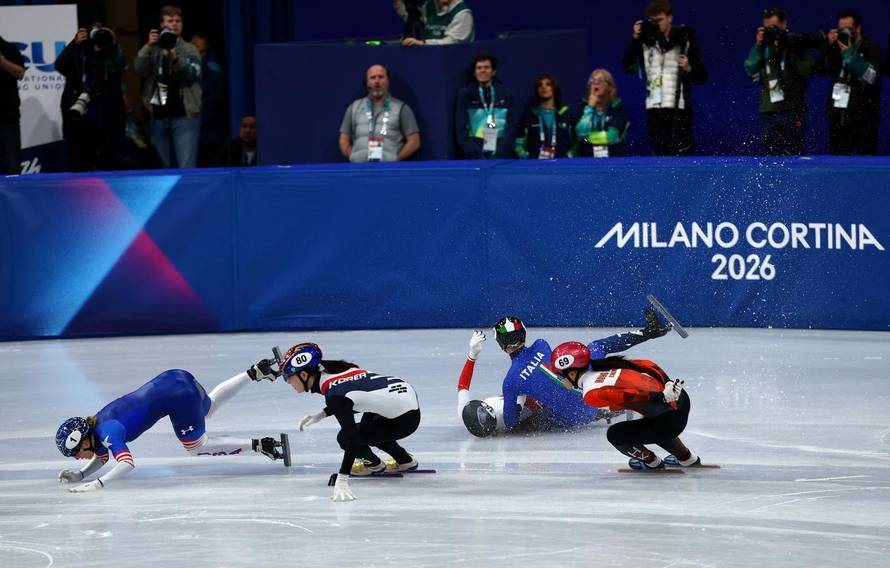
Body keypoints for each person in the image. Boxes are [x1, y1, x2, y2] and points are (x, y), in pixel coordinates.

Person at [54, 358, 286, 492]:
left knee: (196, 447)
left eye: (75, 453)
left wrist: (96, 484)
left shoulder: (108, 432)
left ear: (84, 440)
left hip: (177, 397)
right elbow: (103, 456)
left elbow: (127, 464)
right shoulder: (98, 426)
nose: (76, 458)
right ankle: (254, 372)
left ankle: (260, 445)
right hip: (175, 377)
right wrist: (81, 474)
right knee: (208, 407)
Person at [457, 308, 671, 438]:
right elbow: (548, 373)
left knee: (540, 411)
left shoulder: (511, 381)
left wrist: (521, 403)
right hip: (583, 391)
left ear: (501, 345)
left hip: (572, 418)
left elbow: (512, 424)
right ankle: (650, 331)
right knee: (596, 347)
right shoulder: (541, 345)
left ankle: (606, 410)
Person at [276, 342, 421, 502]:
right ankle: (404, 460)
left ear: (303, 375)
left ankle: (374, 465)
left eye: (288, 377)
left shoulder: (334, 395)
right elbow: (357, 395)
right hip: (403, 399)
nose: (289, 383)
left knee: (345, 438)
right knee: (367, 428)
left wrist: (342, 479)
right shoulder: (337, 370)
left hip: (404, 419)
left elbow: (351, 438)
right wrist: (322, 414)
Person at [549, 341, 700, 470]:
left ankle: (651, 462)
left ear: (572, 373)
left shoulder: (591, 393)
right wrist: (667, 383)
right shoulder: (607, 364)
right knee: (649, 421)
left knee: (615, 435)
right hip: (680, 398)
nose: (561, 381)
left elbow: (629, 395)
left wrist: (660, 397)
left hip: (670, 419)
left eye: (561, 375)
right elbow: (648, 364)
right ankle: (686, 458)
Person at [621, 0, 707, 156]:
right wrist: (635, 37)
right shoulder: (644, 42)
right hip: (654, 107)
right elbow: (627, 66)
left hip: (679, 108)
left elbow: (702, 76)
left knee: (681, 154)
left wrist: (688, 67)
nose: (656, 24)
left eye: (659, 20)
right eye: (653, 21)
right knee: (658, 154)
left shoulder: (685, 39)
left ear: (670, 18)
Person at [133, 5, 202, 168]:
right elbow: (139, 69)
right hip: (158, 116)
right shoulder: (153, 48)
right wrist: (148, 47)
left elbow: (192, 74)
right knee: (164, 169)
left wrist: (176, 59)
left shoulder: (189, 48)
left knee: (186, 167)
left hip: (185, 117)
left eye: (178, 21)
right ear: (161, 25)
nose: (175, 24)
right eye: (170, 21)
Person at [743, 7, 815, 156]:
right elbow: (750, 70)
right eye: (767, 28)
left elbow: (807, 71)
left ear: (784, 24)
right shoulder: (762, 47)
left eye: (774, 27)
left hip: (792, 109)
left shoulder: (796, 44)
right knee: (770, 157)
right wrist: (758, 45)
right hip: (768, 112)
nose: (771, 31)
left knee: (794, 154)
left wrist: (787, 48)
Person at [55, 24, 127, 172]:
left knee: (109, 158)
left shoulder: (110, 51)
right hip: (79, 112)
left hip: (105, 112)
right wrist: (74, 43)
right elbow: (60, 66)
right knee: (79, 159)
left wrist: (111, 42)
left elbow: (120, 65)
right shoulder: (78, 49)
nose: (96, 37)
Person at [815, 10, 882, 156]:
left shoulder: (871, 48)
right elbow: (819, 70)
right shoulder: (835, 48)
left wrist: (850, 53)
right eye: (841, 29)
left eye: (848, 29)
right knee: (838, 165)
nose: (844, 32)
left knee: (866, 165)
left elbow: (871, 77)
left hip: (864, 119)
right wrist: (828, 45)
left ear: (858, 29)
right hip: (839, 117)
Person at [339, 64, 420, 163]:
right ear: (367, 82)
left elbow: (414, 141)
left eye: (381, 77)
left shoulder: (402, 108)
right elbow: (343, 139)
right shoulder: (354, 107)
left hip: (389, 170)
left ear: (387, 81)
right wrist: (352, 156)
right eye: (372, 78)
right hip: (359, 168)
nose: (377, 81)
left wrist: (396, 160)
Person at [455, 54, 515, 159]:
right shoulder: (465, 95)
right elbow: (461, 129)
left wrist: (501, 152)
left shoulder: (506, 94)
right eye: (479, 68)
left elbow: (511, 126)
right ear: (474, 72)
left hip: (501, 155)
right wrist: (475, 154)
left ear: (493, 72)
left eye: (487, 67)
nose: (483, 70)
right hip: (474, 156)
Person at [514, 74, 573, 160]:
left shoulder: (564, 113)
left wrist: (569, 156)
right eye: (540, 85)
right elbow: (518, 143)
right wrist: (526, 157)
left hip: (561, 164)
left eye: (548, 84)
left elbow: (577, 140)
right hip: (534, 165)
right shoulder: (530, 114)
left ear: (554, 88)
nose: (543, 87)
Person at [190, 33, 228, 167]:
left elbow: (214, 96)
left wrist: (200, 119)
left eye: (200, 37)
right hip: (193, 128)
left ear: (207, 43)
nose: (195, 40)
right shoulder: (189, 62)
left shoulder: (211, 64)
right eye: (193, 38)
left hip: (210, 129)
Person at [574, 69, 630, 158]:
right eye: (593, 80)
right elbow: (581, 133)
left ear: (610, 87)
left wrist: (587, 139)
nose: (595, 83)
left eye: (600, 80)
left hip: (613, 159)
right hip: (586, 160)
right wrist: (590, 107)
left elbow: (611, 137)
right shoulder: (583, 106)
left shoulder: (618, 107)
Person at [394, 0, 474, 46]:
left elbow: (452, 42)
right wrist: (398, 2)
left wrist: (423, 43)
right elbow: (413, 20)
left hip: (453, 59)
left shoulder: (462, 13)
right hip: (430, 56)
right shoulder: (429, 6)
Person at [0, 34, 25, 175]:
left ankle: (14, 197)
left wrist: (2, 62)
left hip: (7, 118)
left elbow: (20, 73)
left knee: (12, 166)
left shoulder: (9, 49)